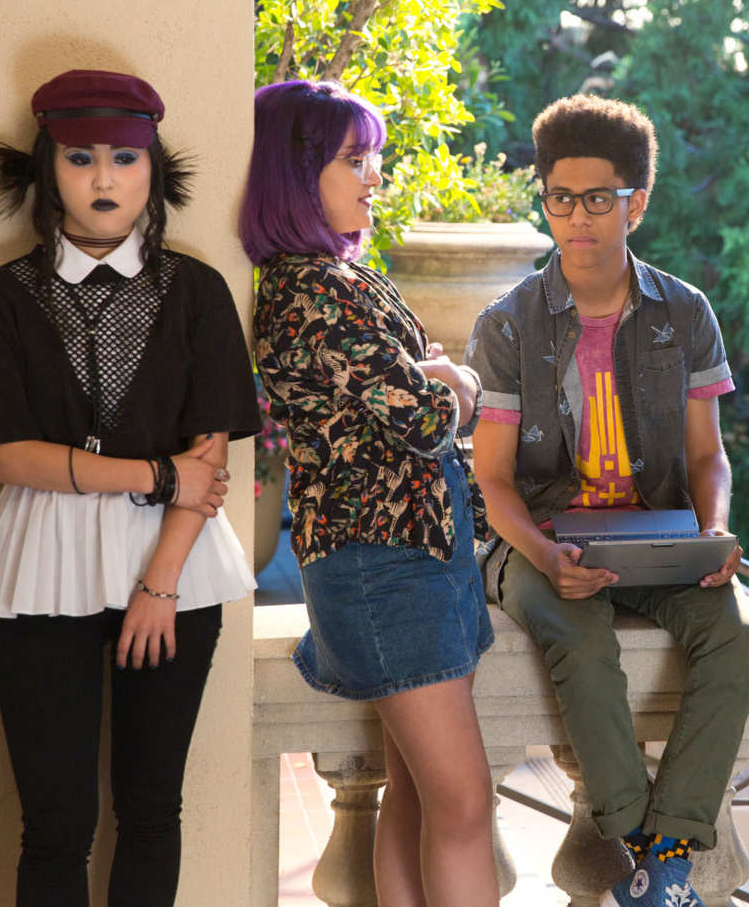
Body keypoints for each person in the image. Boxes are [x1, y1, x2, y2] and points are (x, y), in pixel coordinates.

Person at [0, 69, 259, 907]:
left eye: (125, 158)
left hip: (177, 568)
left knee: (152, 811)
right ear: (46, 168)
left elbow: (211, 457)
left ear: (152, 169)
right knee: (53, 829)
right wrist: (157, 475)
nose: (103, 177)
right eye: (80, 157)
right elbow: (12, 458)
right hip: (39, 566)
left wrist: (159, 586)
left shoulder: (198, 292)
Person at [467, 94, 749, 907]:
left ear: (637, 202)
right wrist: (544, 555)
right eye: (560, 197)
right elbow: (493, 481)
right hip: (537, 537)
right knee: (580, 640)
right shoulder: (508, 325)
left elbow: (706, 456)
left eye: (598, 198)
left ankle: (667, 846)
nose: (577, 217)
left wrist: (712, 534)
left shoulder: (684, 312)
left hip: (659, 533)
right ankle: (648, 855)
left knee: (736, 636)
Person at [242, 80, 498, 907]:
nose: (375, 177)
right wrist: (456, 381)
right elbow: (424, 415)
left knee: (423, 797)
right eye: (355, 160)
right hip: (383, 565)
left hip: (415, 555)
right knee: (464, 803)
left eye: (373, 159)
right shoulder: (310, 289)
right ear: (296, 173)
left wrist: (436, 381)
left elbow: (411, 399)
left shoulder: (335, 279)